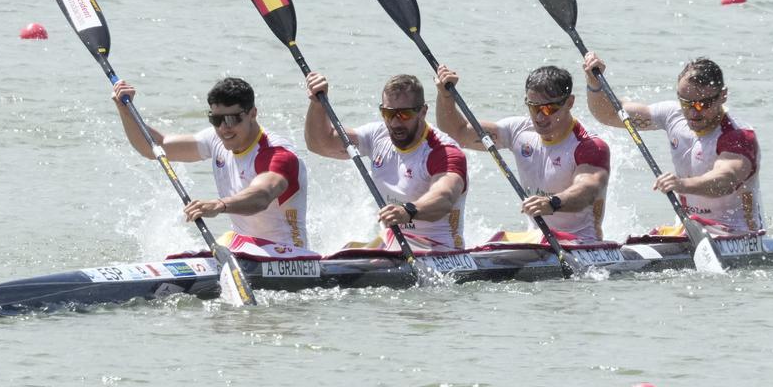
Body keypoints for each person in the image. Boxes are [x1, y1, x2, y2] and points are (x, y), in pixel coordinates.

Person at [111, 77, 309, 248]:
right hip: (242, 244)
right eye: (216, 120)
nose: (224, 128)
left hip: (286, 253)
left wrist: (219, 205)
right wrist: (125, 110)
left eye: (232, 119)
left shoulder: (276, 154)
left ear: (252, 113)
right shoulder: (215, 140)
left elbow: (261, 196)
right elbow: (156, 147)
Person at [581, 52, 763, 234]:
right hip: (691, 229)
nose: (693, 112)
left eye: (703, 104)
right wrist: (594, 83)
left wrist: (681, 185)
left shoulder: (738, 136)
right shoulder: (672, 115)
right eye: (686, 103)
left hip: (737, 234)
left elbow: (726, 180)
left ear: (723, 95)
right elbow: (608, 114)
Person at [433, 64, 611, 242]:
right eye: (533, 107)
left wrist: (552, 203)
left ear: (569, 102)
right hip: (537, 240)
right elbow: (458, 132)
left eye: (549, 109)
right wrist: (445, 96)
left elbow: (587, 190)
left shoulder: (590, 146)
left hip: (581, 242)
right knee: (496, 240)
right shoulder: (518, 131)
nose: (540, 117)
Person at [304, 72, 468, 250]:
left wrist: (408, 211)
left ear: (423, 112)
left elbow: (444, 198)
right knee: (349, 248)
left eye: (404, 114)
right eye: (388, 113)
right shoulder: (377, 135)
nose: (395, 122)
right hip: (394, 243)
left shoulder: (443, 152)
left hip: (441, 248)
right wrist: (317, 103)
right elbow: (320, 144)